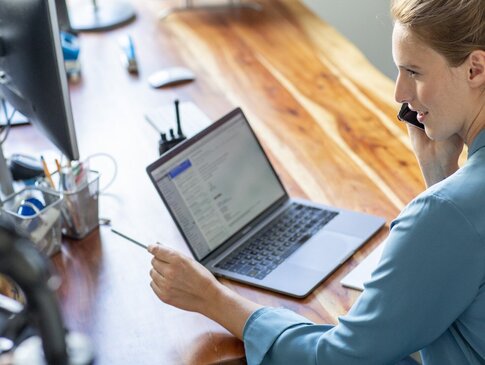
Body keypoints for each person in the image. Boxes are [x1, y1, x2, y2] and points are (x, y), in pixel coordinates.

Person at [148, 0, 485, 363]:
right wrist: (439, 174)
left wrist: (212, 299)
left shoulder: (445, 214)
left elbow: (336, 357)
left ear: (475, 69)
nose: (399, 93)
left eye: (414, 72)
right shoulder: (453, 210)